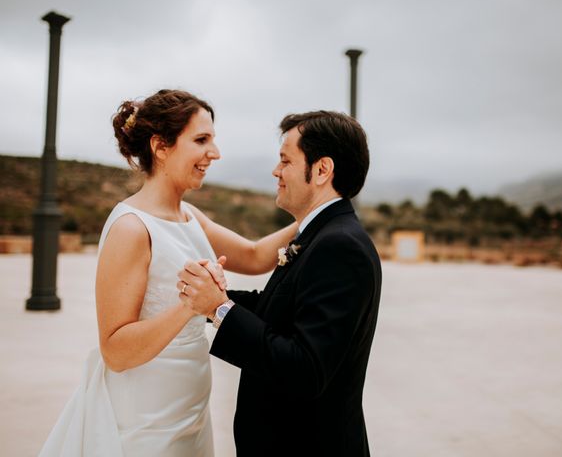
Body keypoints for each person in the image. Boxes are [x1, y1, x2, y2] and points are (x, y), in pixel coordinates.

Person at [38, 89, 297, 457]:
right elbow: (115, 350)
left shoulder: (190, 216)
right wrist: (190, 305)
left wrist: (315, 213)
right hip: (145, 417)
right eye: (202, 140)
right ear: (161, 147)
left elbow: (255, 256)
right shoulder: (132, 227)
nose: (215, 153)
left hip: (188, 410)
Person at [178, 110, 382, 457]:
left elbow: (305, 369)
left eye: (285, 161)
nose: (276, 171)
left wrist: (219, 307)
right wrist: (213, 297)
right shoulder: (322, 234)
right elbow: (282, 311)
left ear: (321, 170)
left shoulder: (340, 246)